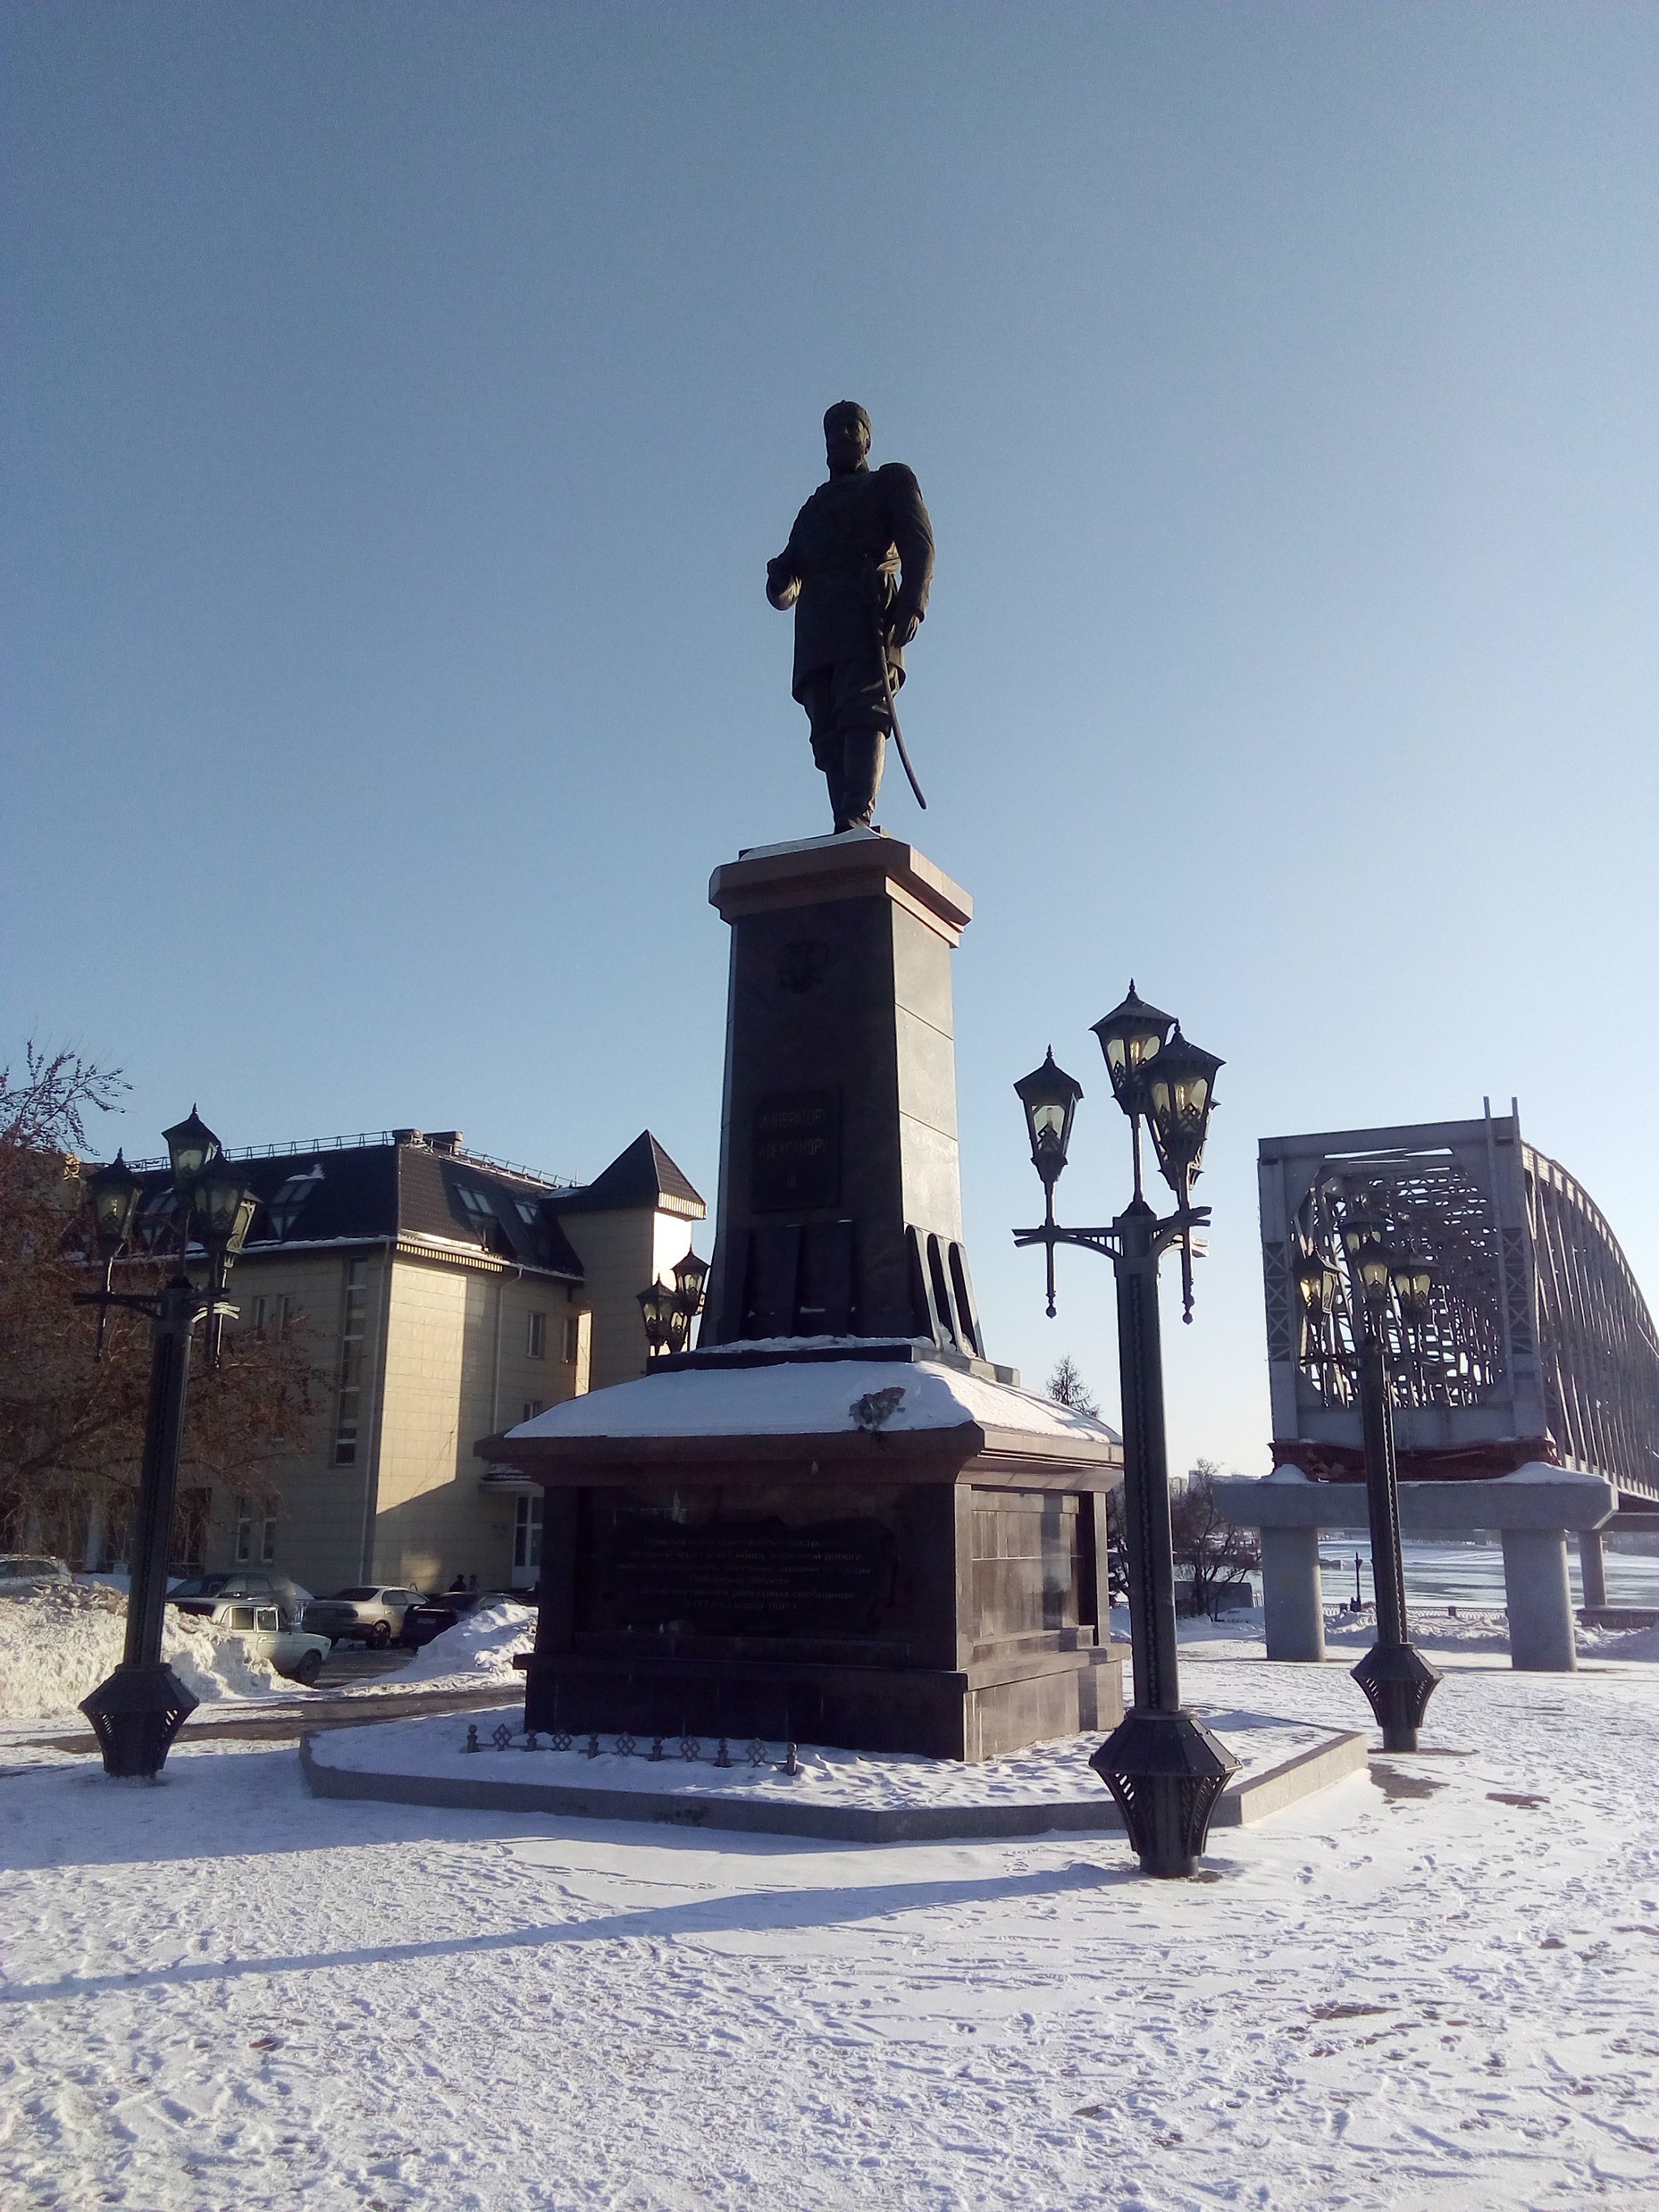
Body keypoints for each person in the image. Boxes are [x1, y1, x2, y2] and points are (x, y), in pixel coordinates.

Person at [766, 402, 934, 833]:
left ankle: (857, 819)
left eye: (850, 428)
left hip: (868, 617)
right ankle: (844, 827)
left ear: (867, 439)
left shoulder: (889, 481)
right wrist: (780, 581)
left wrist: (912, 603)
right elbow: (790, 581)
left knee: (864, 711)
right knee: (826, 730)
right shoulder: (812, 511)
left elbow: (919, 545)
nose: (840, 436)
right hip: (818, 630)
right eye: (833, 431)